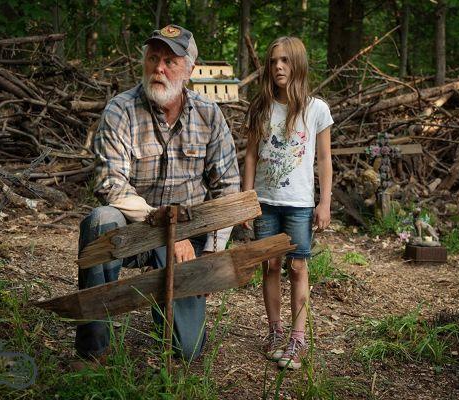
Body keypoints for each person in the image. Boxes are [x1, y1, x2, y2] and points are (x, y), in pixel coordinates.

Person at [75, 24, 240, 366]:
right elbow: (111, 185)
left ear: (189, 70)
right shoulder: (121, 111)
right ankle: (93, 349)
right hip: (135, 230)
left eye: (170, 61)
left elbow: (228, 188)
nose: (159, 68)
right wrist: (165, 227)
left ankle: (166, 310)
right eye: (153, 58)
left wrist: (211, 252)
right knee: (100, 220)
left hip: (187, 240)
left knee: (188, 350)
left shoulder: (209, 115)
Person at [242, 36, 333, 370]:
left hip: (298, 204)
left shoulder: (316, 109)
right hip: (265, 202)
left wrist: (324, 203)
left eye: (285, 60)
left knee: (297, 266)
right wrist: (247, 199)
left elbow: (324, 159)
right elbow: (251, 155)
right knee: (270, 265)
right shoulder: (262, 107)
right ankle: (274, 330)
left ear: (298, 64)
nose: (278, 67)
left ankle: (298, 338)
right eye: (273, 61)